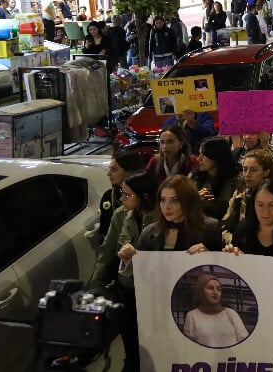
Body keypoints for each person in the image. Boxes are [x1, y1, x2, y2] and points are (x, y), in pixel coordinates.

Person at [91, 172, 157, 372]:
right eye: (121, 193)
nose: (121, 198)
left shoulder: (162, 217)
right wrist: (96, 285)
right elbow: (107, 249)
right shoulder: (121, 215)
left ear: (144, 197)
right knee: (130, 339)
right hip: (127, 287)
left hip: (154, 292)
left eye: (127, 195)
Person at [133, 175, 224, 253]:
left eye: (174, 200)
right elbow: (140, 266)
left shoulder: (211, 227)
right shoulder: (148, 232)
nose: (166, 207)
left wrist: (208, 255)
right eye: (163, 200)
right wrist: (129, 258)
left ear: (188, 201)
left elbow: (219, 265)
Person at [222, 148, 273, 244]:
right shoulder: (239, 194)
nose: (247, 174)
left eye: (253, 170)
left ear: (266, 172)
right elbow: (225, 227)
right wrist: (235, 241)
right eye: (245, 169)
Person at [182, 274, 249, 348]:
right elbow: (190, 346)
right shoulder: (192, 316)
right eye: (210, 288)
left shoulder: (230, 313)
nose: (215, 292)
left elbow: (244, 340)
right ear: (201, 291)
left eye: (218, 289)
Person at [98, 150, 146, 241]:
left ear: (129, 171)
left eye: (114, 170)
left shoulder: (146, 198)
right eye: (109, 169)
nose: (108, 174)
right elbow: (104, 231)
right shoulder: (109, 196)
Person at [191, 137, 239, 221]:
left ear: (216, 156)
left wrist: (214, 203)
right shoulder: (196, 177)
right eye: (199, 154)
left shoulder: (236, 180)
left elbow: (237, 211)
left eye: (203, 155)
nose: (198, 158)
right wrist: (196, 199)